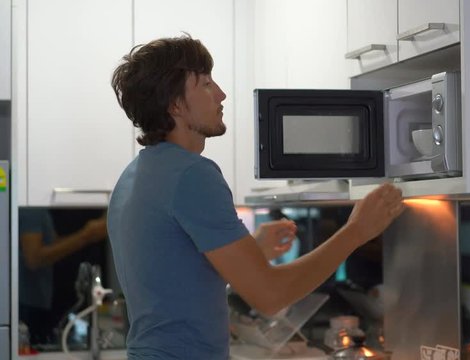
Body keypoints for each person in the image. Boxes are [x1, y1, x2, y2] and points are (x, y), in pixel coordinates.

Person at [107, 34, 405, 359]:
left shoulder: (134, 175)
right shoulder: (191, 174)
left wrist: (251, 250)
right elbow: (270, 296)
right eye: (205, 84)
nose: (221, 94)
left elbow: (173, 282)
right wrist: (356, 232)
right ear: (175, 105)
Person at [18, 208, 107, 344]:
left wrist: (89, 235)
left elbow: (52, 243)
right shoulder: (32, 209)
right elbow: (33, 259)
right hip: (29, 305)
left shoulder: (39, 210)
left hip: (38, 301)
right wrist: (87, 235)